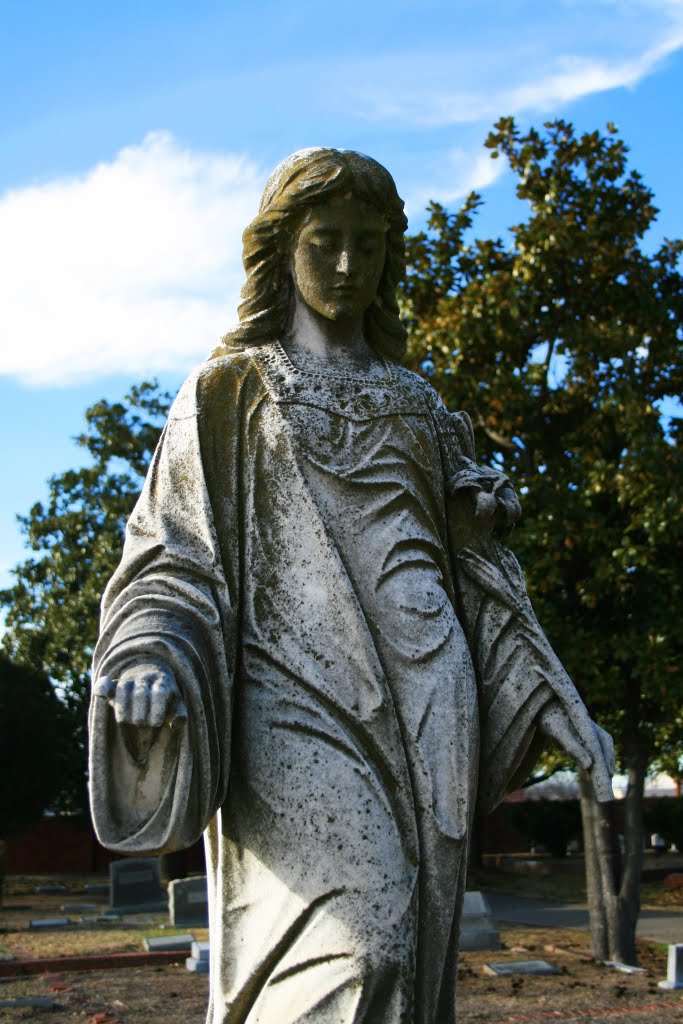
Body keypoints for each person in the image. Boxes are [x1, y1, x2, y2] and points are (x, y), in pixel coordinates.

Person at [89, 148, 614, 1024]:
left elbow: (475, 574)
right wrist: (151, 651)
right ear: (279, 251)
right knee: (355, 947)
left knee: (408, 952)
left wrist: (550, 697)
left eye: (365, 246)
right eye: (324, 241)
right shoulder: (229, 393)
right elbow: (173, 553)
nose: (345, 266)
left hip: (428, 689)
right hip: (291, 693)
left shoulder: (416, 401)